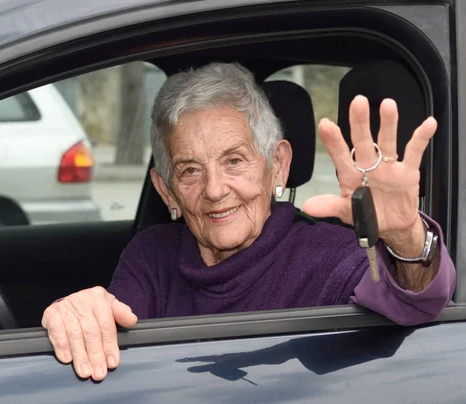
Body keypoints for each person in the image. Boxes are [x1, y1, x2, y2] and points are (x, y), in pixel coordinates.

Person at [42, 62, 456, 381]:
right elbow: (111, 339)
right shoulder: (151, 255)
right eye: (189, 170)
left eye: (234, 161)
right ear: (165, 190)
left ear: (277, 165)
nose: (215, 189)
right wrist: (77, 313)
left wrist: (404, 238)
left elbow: (413, 300)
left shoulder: (331, 254)